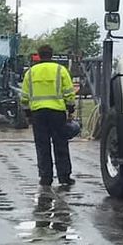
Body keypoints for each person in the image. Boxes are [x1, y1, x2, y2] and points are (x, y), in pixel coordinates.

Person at [19, 48, 78, 187]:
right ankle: (64, 177)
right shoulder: (60, 70)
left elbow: (25, 96)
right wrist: (70, 109)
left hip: (38, 113)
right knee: (61, 144)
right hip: (57, 112)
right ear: (52, 55)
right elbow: (69, 92)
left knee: (42, 146)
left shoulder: (31, 72)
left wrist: (28, 114)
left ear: (39, 56)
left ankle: (46, 177)